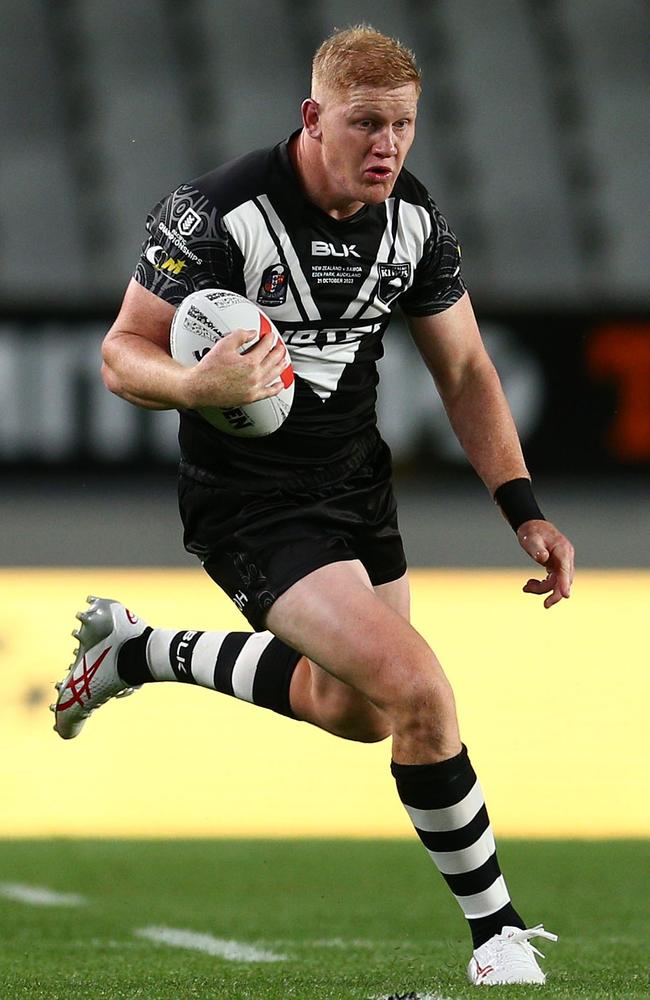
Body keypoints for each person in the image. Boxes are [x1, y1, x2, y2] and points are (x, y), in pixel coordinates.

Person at [52, 25, 574, 987]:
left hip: (355, 489)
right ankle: (498, 935)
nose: (388, 145)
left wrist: (524, 509)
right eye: (365, 123)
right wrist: (194, 386)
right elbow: (121, 351)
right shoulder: (219, 214)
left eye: (404, 125)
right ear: (312, 117)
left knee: (363, 712)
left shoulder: (412, 220)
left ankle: (136, 651)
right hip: (251, 505)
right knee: (421, 692)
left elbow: (464, 370)